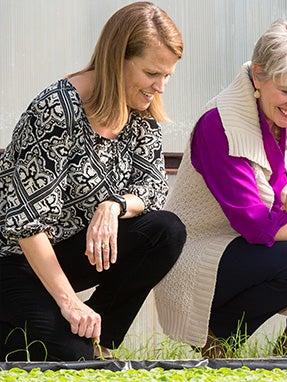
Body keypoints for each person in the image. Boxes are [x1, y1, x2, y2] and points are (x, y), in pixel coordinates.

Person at [154, 18, 287, 357]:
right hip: (205, 250)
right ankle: (219, 336)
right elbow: (255, 223)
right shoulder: (219, 124)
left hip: (254, 242)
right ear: (257, 76)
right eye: (286, 91)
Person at [0, 2, 186, 362]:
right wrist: (70, 304)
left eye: (167, 76)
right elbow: (26, 225)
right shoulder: (56, 110)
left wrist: (113, 205)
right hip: (16, 260)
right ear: (118, 58)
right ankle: (71, 338)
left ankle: (98, 339)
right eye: (151, 73)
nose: (159, 87)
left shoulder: (140, 113)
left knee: (166, 230)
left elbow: (153, 189)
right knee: (71, 356)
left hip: (69, 251)